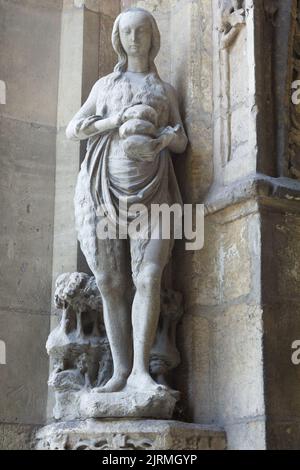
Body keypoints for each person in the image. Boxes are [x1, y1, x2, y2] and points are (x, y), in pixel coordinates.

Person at [66, 7, 187, 393]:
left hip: (154, 191)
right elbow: (74, 128)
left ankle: (141, 373)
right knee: (110, 281)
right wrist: (113, 121)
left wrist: (167, 138)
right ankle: (120, 372)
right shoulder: (104, 87)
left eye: (141, 31)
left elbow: (183, 140)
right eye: (127, 32)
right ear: (119, 38)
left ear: (153, 37)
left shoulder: (164, 90)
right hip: (104, 188)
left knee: (149, 277)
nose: (135, 38)